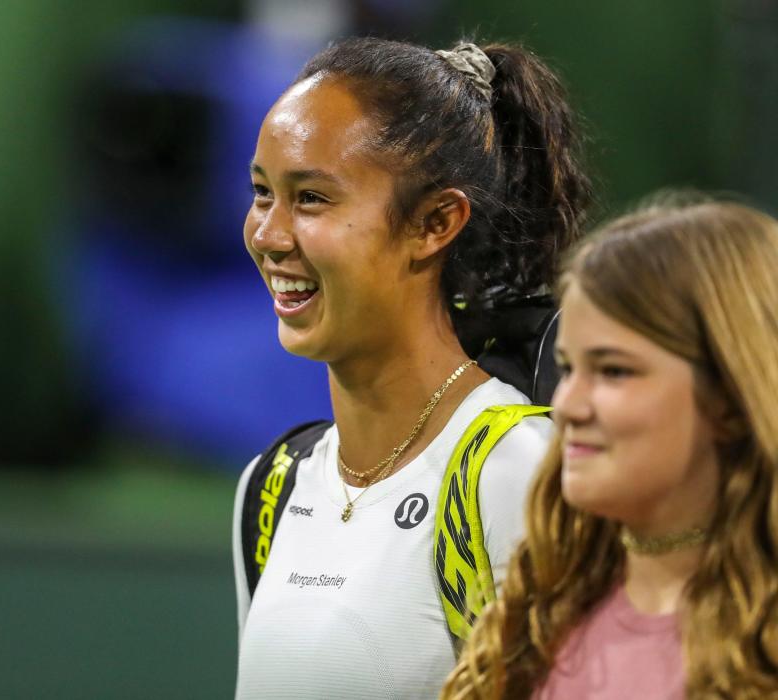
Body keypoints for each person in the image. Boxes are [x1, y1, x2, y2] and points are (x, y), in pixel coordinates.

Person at [232, 36, 591, 699]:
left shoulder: (514, 473)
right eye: (262, 193)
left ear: (434, 222)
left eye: (311, 199)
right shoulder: (271, 489)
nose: (269, 234)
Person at [442, 198, 778, 699]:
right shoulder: (531, 619)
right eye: (569, 367)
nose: (567, 405)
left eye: (614, 371)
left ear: (730, 395)